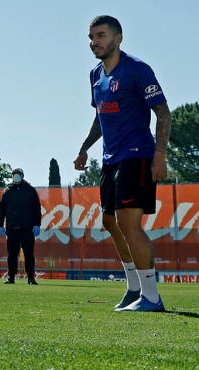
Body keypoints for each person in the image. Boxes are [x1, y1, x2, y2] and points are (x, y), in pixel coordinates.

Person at [73, 15, 171, 312]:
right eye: (91, 37)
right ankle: (133, 289)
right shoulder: (95, 75)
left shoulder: (138, 70)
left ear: (118, 38)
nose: (94, 42)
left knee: (129, 222)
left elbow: (163, 113)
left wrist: (160, 156)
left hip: (138, 154)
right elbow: (100, 117)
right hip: (110, 159)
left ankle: (152, 297)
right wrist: (83, 149)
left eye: (101, 36)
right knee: (110, 222)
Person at [0, 167, 43, 284]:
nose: (16, 176)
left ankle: (31, 278)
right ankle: (11, 277)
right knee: (12, 254)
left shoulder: (30, 190)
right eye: (14, 174)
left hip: (27, 228)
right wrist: (0, 225)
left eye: (18, 174)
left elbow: (37, 209)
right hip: (12, 228)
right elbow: (1, 210)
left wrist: (37, 224)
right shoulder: (7, 191)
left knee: (28, 254)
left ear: (22, 176)